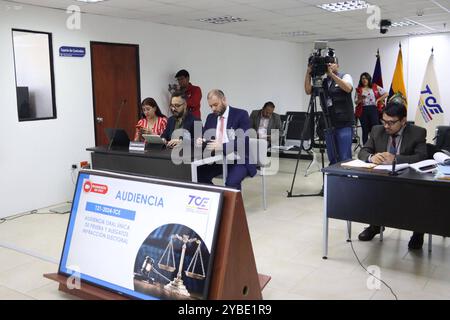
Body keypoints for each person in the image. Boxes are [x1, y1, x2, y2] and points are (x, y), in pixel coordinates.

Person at [358, 100, 428, 249]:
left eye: (391, 122)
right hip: (382, 179)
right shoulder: (377, 130)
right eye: (384, 121)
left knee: (421, 195)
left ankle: (418, 232)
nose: (386, 126)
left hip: (408, 181)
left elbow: (422, 157)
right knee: (370, 191)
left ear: (403, 121)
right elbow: (363, 151)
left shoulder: (417, 132)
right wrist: (371, 157)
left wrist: (395, 159)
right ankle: (375, 225)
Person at [196, 90, 256, 190]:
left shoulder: (241, 114)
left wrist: (222, 146)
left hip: (239, 159)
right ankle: (218, 198)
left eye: (215, 105)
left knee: (231, 182)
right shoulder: (211, 117)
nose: (213, 109)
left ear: (224, 100)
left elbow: (243, 140)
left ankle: (232, 205)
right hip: (217, 159)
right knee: (198, 174)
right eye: (211, 106)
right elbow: (205, 137)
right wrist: (201, 140)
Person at [304, 56, 354, 164]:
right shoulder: (323, 82)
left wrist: (331, 74)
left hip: (344, 124)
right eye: (327, 63)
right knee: (332, 157)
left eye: (332, 62)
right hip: (329, 124)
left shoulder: (345, 76)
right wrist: (308, 72)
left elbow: (348, 88)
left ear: (338, 65)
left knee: (344, 157)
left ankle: (345, 180)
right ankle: (332, 179)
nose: (329, 64)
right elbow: (308, 90)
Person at [354, 72, 388, 144]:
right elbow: (356, 102)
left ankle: (376, 146)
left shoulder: (374, 86)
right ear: (361, 80)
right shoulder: (358, 89)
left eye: (366, 78)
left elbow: (386, 93)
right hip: (363, 110)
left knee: (375, 128)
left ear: (369, 79)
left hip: (373, 109)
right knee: (365, 130)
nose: (364, 80)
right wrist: (360, 99)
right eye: (363, 78)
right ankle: (365, 148)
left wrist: (378, 100)